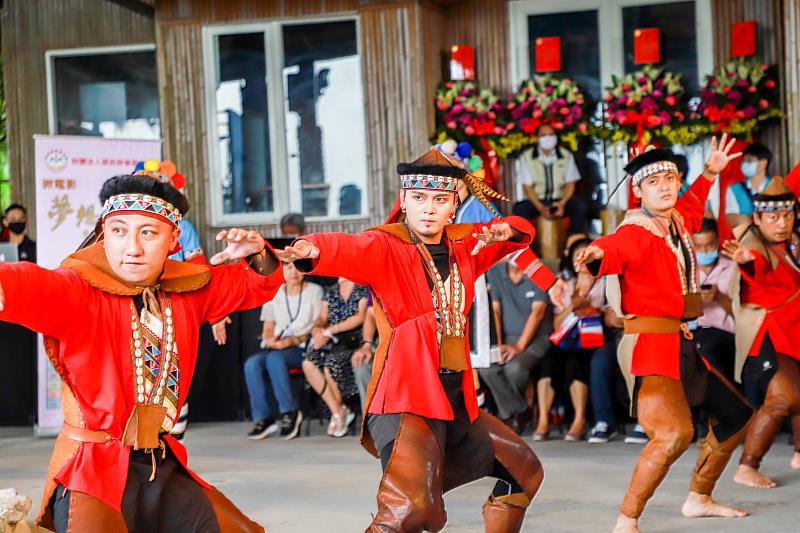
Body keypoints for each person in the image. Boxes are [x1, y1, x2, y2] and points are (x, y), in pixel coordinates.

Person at [280, 146, 557, 531]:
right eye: (419, 198)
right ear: (404, 200)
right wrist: (312, 250)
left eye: (440, 199)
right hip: (403, 400)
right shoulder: (387, 245)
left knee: (525, 471)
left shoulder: (467, 244)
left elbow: (521, 235)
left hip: (453, 401)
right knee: (409, 510)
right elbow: (347, 248)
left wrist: (507, 230)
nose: (429, 208)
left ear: (454, 205)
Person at [0, 172, 282, 532]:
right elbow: (25, 284)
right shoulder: (77, 289)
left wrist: (257, 253)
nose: (131, 247)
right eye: (118, 231)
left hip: (161, 467)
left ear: (173, 239)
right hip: (92, 471)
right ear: (105, 234)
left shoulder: (187, 289)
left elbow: (256, 284)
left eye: (148, 232)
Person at [575, 136, 754, 533]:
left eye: (670, 177)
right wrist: (593, 255)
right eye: (653, 181)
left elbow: (691, 205)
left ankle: (699, 497)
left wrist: (710, 171)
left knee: (735, 414)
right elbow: (611, 248)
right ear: (637, 191)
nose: (665, 185)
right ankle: (627, 518)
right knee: (674, 433)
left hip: (681, 340)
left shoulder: (673, 220)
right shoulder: (636, 231)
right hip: (647, 345)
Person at [723, 176, 800, 489]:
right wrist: (745, 261)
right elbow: (755, 268)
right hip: (768, 332)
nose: (781, 223)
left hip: (794, 329)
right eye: (773, 217)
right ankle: (747, 466)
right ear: (757, 218)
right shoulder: (752, 245)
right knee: (783, 397)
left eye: (787, 215)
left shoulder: (791, 240)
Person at [244, 262, 322, 440]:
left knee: (274, 359)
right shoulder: (275, 292)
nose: (293, 272)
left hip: (302, 346)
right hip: (278, 347)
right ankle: (264, 418)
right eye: (288, 268)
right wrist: (269, 339)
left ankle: (290, 413)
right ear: (282, 271)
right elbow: (268, 325)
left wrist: (291, 341)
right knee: (252, 364)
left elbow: (318, 325)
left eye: (297, 268)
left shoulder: (315, 291)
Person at [535, 238, 603, 442]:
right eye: (577, 255)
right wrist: (572, 306)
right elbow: (556, 323)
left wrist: (591, 309)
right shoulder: (564, 284)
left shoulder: (604, 281)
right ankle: (543, 421)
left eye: (587, 254)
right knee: (548, 361)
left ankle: (579, 420)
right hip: (567, 338)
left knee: (576, 363)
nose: (582, 259)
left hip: (593, 339)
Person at [478, 258, 551, 434]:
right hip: (505, 338)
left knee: (514, 368)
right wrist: (498, 344)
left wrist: (518, 346)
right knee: (487, 366)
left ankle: (509, 417)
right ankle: (518, 411)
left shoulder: (539, 270)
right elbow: (495, 310)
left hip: (537, 339)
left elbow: (538, 312)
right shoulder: (495, 271)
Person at [303, 277, 368, 437]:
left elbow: (361, 317)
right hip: (331, 339)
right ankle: (338, 411)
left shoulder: (362, 287)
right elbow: (321, 318)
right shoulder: (331, 291)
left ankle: (339, 413)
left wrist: (332, 330)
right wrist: (318, 329)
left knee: (331, 363)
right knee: (308, 361)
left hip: (352, 341)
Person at [514, 123, 589, 234]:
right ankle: (532, 247)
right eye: (543, 135)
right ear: (536, 139)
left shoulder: (566, 155)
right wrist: (541, 208)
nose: (548, 138)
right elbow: (527, 187)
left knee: (580, 207)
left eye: (551, 134)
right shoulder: (527, 157)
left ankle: (572, 244)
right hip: (537, 201)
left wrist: (562, 203)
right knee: (520, 209)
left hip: (560, 200)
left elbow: (571, 183)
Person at [691, 218, 736, 380]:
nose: (703, 251)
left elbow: (743, 315)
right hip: (691, 332)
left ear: (717, 241)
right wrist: (694, 300)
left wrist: (719, 298)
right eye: (699, 246)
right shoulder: (685, 270)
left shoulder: (733, 268)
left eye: (709, 245)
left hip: (723, 334)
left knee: (707, 354)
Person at [725, 143, 773, 228]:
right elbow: (730, 217)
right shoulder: (734, 189)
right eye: (744, 161)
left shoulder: (775, 186)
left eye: (750, 161)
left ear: (763, 163)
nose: (745, 164)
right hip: (746, 238)